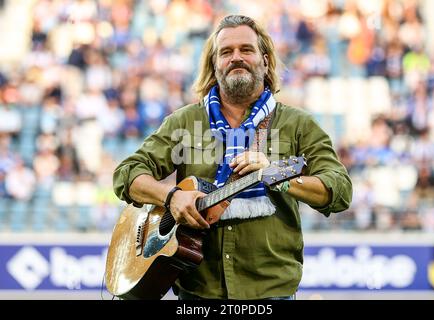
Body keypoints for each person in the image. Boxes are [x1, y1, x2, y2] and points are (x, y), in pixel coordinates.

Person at [113, 14, 352, 300]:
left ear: (265, 60)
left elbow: (339, 189)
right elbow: (127, 173)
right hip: (198, 292)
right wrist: (170, 197)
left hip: (270, 291)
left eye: (246, 50)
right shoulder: (185, 122)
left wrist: (280, 178)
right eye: (226, 52)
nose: (236, 57)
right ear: (214, 64)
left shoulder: (298, 124)